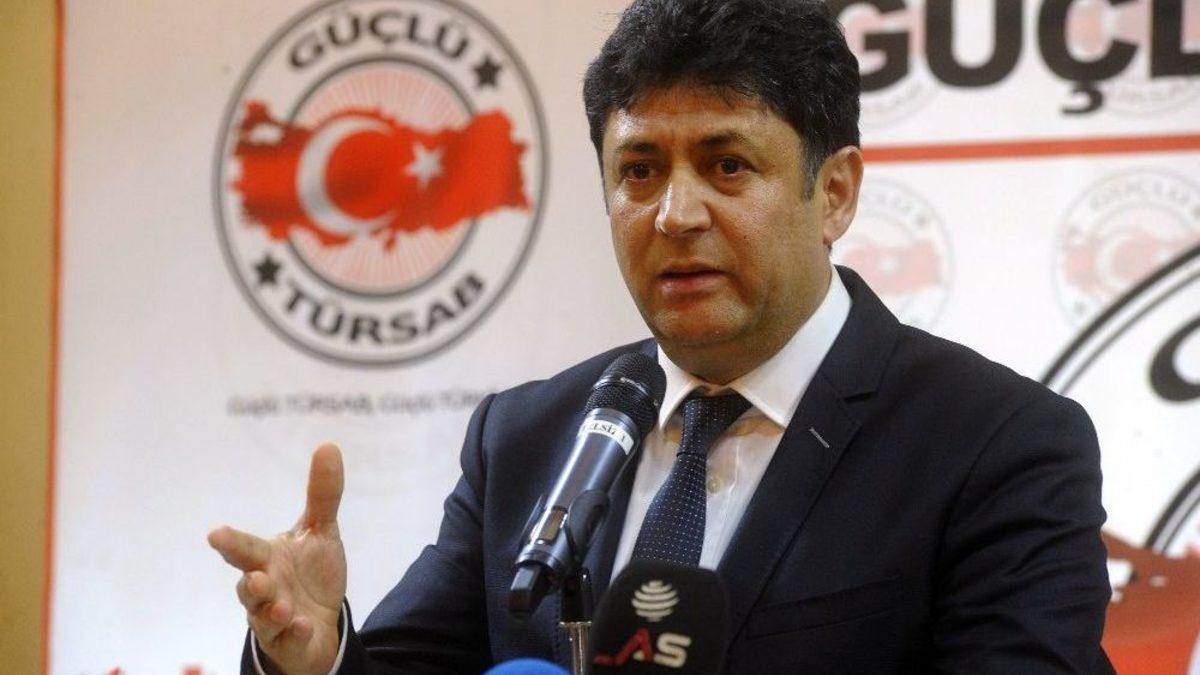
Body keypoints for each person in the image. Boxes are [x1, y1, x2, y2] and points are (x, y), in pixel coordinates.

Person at [208, 0, 1114, 672]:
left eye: (728, 164)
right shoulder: (526, 437)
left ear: (835, 192)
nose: (676, 213)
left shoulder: (996, 444)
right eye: (639, 170)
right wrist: (315, 652)